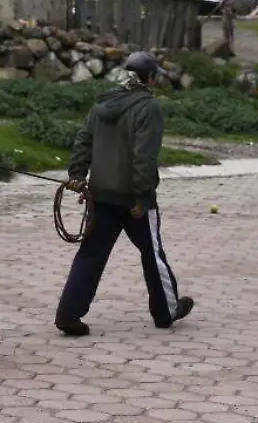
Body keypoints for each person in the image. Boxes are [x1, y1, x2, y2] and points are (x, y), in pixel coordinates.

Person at [54, 50, 195, 336]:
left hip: (101, 194)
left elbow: (83, 140)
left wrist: (77, 176)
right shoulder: (149, 108)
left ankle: (68, 314)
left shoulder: (101, 104)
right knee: (152, 253)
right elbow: (144, 158)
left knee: (90, 254)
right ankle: (166, 312)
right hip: (134, 200)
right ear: (150, 79)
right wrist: (143, 197)